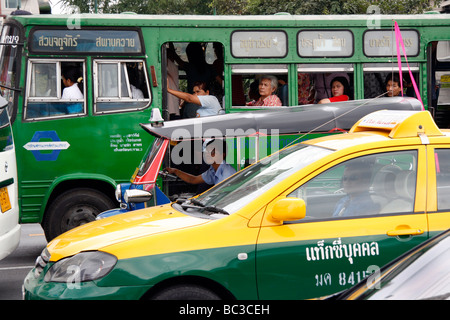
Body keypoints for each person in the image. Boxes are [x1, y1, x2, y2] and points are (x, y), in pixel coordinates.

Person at [165, 139, 236, 186]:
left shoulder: (226, 176)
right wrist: (175, 171)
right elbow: (193, 179)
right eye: (206, 152)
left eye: (212, 152)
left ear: (222, 155)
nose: (208, 154)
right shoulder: (213, 170)